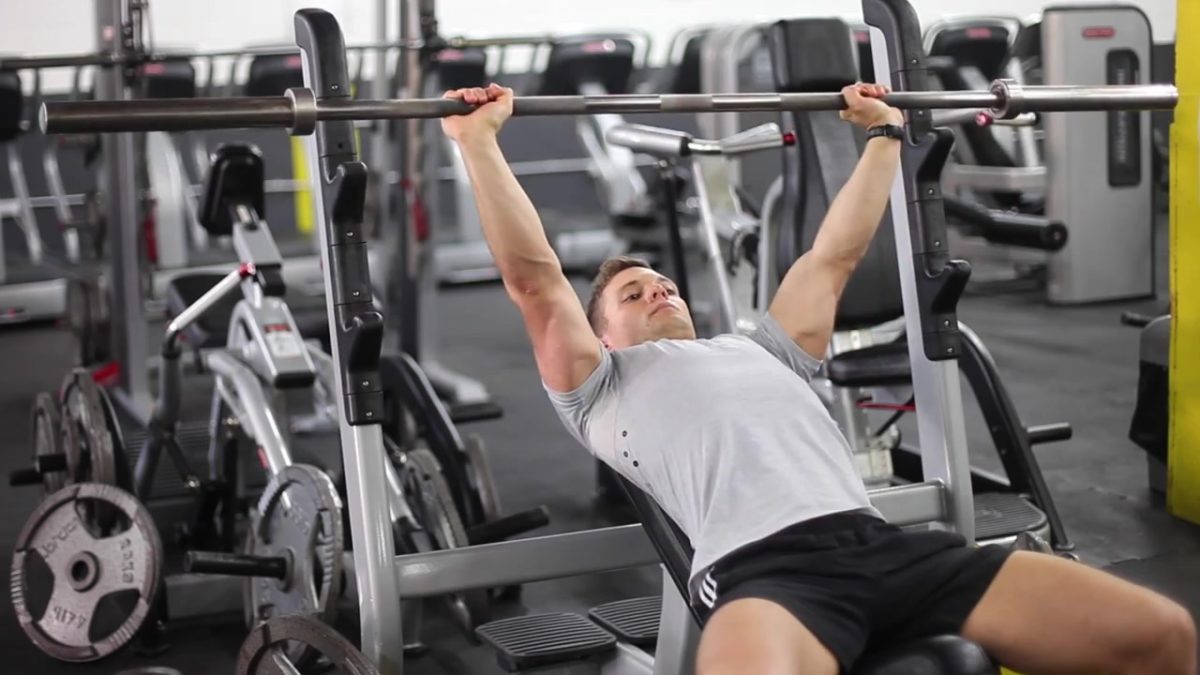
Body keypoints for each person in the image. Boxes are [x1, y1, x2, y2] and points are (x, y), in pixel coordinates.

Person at [440, 82, 1196, 675]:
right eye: (633, 295)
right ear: (602, 335)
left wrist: (884, 135)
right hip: (763, 574)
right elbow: (536, 280)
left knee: (1161, 634)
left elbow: (833, 257)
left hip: (884, 545)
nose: (658, 291)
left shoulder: (762, 350)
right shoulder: (599, 388)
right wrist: (478, 142)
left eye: (662, 283)